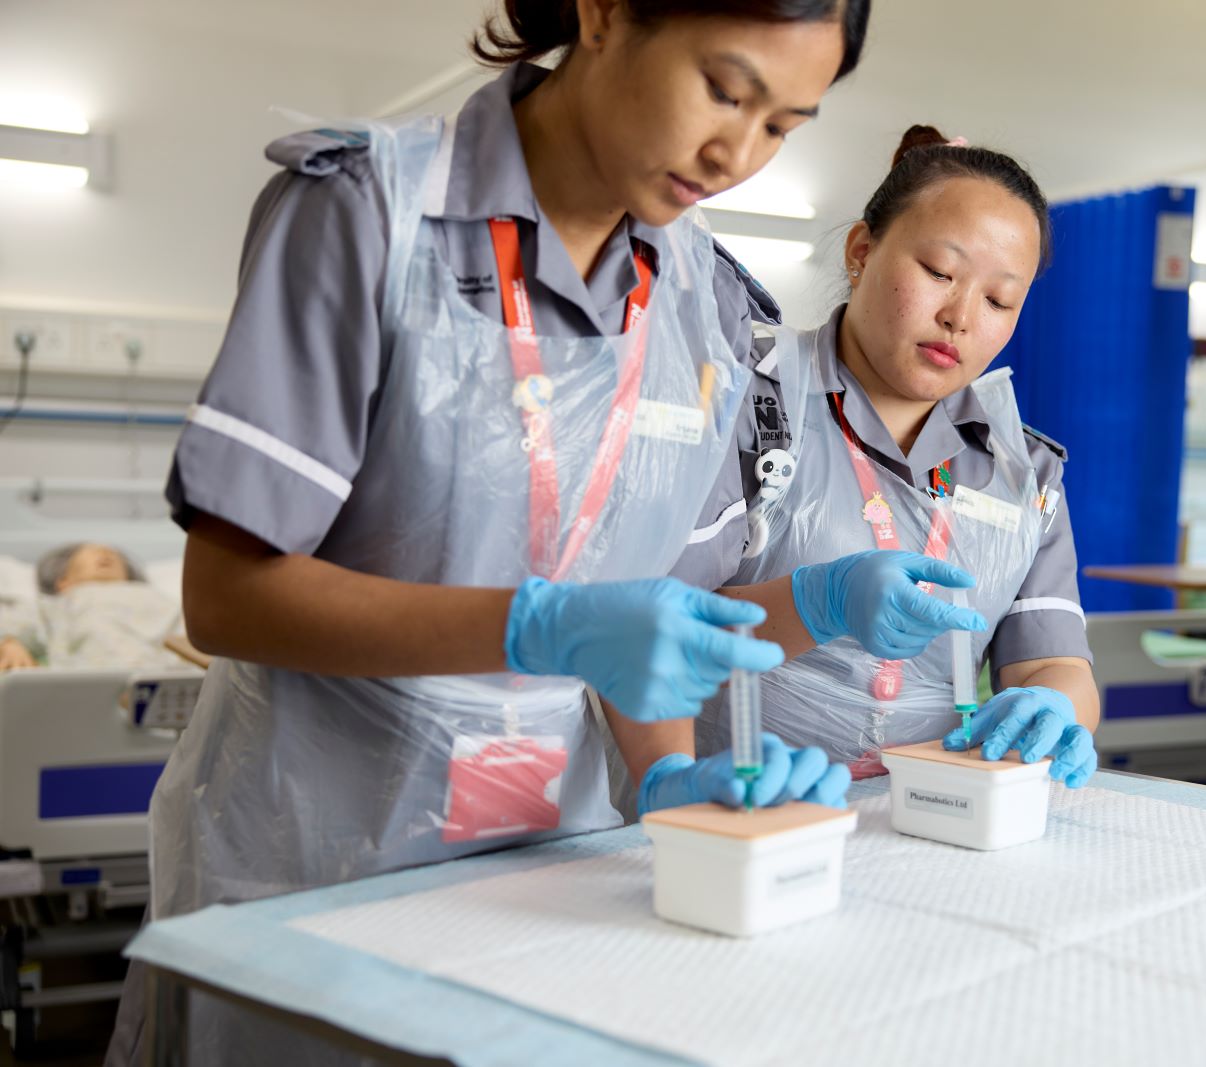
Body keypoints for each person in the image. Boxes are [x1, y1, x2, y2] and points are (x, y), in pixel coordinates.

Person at [104, 1, 871, 1062]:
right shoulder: (368, 213)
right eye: (723, 89)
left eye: (782, 124)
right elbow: (227, 595)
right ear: (602, 13)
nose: (734, 152)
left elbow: (648, 619)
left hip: (544, 878)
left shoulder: (711, 306)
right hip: (317, 859)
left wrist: (661, 781)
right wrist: (537, 625)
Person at [614, 126, 1098, 814]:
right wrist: (816, 602)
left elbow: (1053, 660)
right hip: (732, 820)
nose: (960, 316)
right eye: (939, 272)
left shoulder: (1021, 472)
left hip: (922, 826)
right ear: (862, 252)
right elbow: (645, 627)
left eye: (999, 301)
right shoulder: (736, 406)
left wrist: (1055, 706)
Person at [0, 543, 188, 672]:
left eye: (113, 555)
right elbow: (18, 622)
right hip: (94, 675)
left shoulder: (157, 597)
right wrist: (10, 644)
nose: (106, 553)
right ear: (63, 581)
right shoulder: (61, 601)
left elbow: (190, 628)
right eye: (93, 552)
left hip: (169, 676)